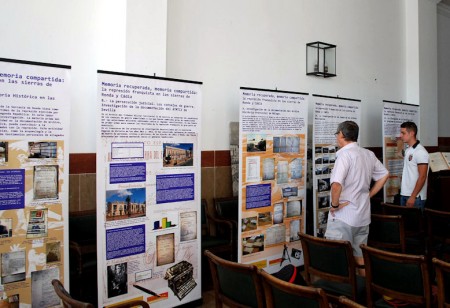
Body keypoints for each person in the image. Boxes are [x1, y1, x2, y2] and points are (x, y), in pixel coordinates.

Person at [325, 121, 389, 272]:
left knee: (339, 260)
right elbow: (385, 175)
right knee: (360, 258)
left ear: (341, 134)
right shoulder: (368, 154)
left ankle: (343, 293)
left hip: (343, 217)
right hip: (362, 215)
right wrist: (369, 195)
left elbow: (336, 185)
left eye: (337, 134)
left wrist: (334, 206)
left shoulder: (345, 155)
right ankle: (362, 290)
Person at [399, 121, 429, 210]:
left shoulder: (420, 152)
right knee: (404, 223)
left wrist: (413, 196)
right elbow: (401, 155)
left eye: (403, 133)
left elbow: (422, 176)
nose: (401, 136)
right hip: (405, 193)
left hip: (415, 197)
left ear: (412, 133)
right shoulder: (409, 150)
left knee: (414, 223)